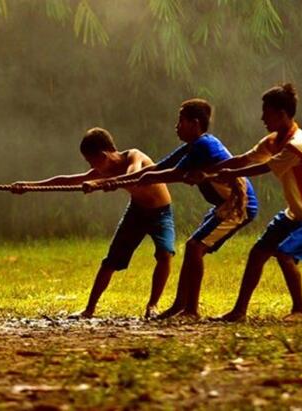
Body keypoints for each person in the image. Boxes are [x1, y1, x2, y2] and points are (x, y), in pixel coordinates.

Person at [88, 99, 259, 319]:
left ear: (194, 123)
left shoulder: (203, 145)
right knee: (193, 247)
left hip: (239, 206)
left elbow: (172, 174)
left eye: (180, 121)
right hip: (224, 205)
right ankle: (181, 305)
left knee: (194, 247)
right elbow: (160, 167)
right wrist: (127, 179)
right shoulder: (194, 145)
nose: (176, 126)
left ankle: (191, 309)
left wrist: (133, 179)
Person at [193, 84, 302, 322]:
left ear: (281, 114)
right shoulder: (274, 140)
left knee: (284, 254)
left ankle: (300, 310)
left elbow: (262, 168)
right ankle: (239, 311)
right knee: (258, 253)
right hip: (296, 213)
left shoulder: (296, 145)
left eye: (266, 112)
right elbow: (244, 159)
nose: (262, 118)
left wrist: (222, 173)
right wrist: (210, 171)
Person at [12, 127, 175, 318]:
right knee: (110, 262)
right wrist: (29, 186)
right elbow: (68, 180)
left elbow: (134, 176)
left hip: (161, 213)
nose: (91, 167)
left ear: (104, 155)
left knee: (165, 254)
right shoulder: (103, 170)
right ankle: (89, 309)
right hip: (136, 213)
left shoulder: (134, 156)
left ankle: (152, 306)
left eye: (91, 161)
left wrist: (98, 184)